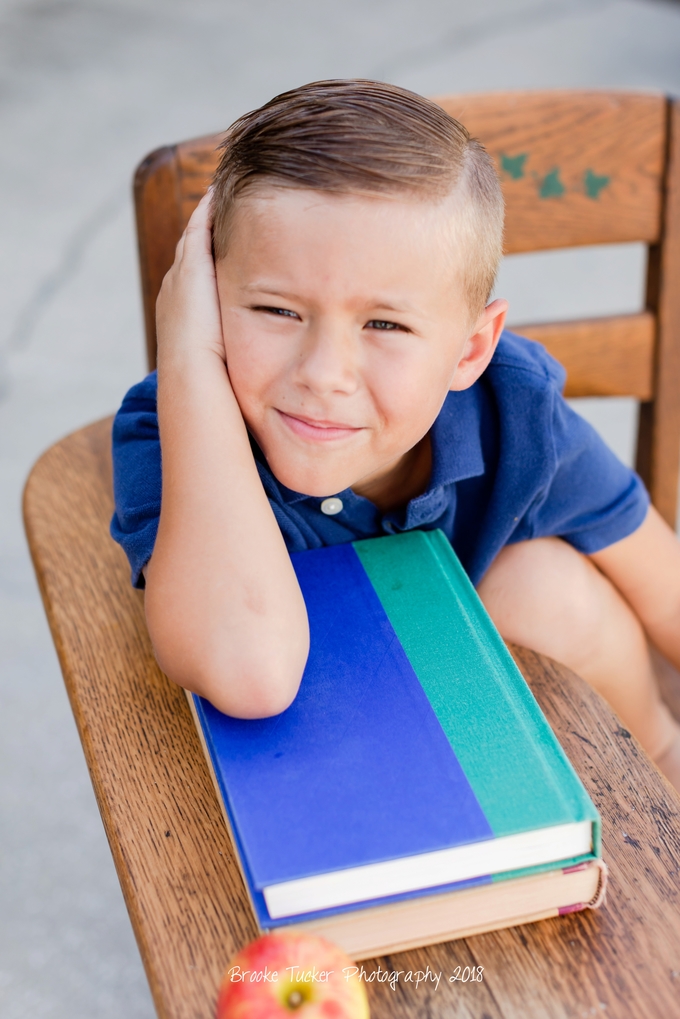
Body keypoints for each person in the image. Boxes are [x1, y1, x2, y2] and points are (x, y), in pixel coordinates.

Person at [111, 80, 680, 789]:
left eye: (383, 324)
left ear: (471, 350)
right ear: (204, 303)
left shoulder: (515, 414)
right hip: (313, 769)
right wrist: (189, 361)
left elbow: (666, 588)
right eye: (276, 309)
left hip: (489, 733)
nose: (324, 374)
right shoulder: (171, 425)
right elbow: (248, 673)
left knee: (542, 587)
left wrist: (659, 755)